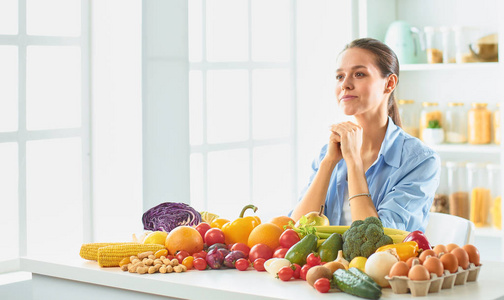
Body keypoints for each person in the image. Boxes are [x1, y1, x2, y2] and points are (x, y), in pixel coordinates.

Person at [290, 38, 440, 232]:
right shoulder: (328, 154)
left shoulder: (420, 161)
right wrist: (328, 164)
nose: (345, 84)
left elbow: (379, 241)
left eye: (359, 74)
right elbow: (295, 230)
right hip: (326, 263)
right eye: (339, 76)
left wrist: (353, 163)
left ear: (389, 83)